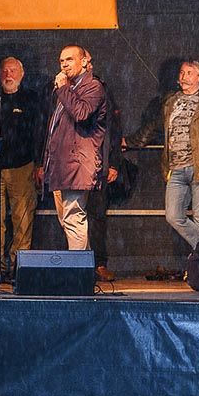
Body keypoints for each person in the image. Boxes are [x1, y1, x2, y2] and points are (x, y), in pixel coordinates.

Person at [125, 60, 199, 251]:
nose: (184, 77)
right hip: (175, 168)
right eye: (182, 72)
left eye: (189, 73)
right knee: (173, 215)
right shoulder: (170, 102)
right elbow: (153, 128)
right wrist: (131, 142)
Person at [0, 57, 41, 277]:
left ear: (22, 75)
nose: (8, 75)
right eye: (4, 71)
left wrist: (39, 165)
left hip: (23, 166)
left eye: (13, 71)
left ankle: (19, 265)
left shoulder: (31, 99)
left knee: (22, 217)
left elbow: (39, 133)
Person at [40, 44, 108, 251]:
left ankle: (78, 274)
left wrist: (62, 88)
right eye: (61, 60)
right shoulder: (69, 89)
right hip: (62, 166)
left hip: (77, 164)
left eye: (69, 59)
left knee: (73, 217)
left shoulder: (93, 87)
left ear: (85, 62)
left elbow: (81, 114)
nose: (64, 65)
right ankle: (83, 269)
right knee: (67, 220)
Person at [81, 50, 123, 281]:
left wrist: (114, 162)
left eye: (87, 60)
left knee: (97, 215)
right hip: (72, 164)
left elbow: (113, 129)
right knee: (71, 216)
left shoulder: (102, 88)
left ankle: (99, 263)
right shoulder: (59, 88)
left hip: (97, 164)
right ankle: (74, 263)